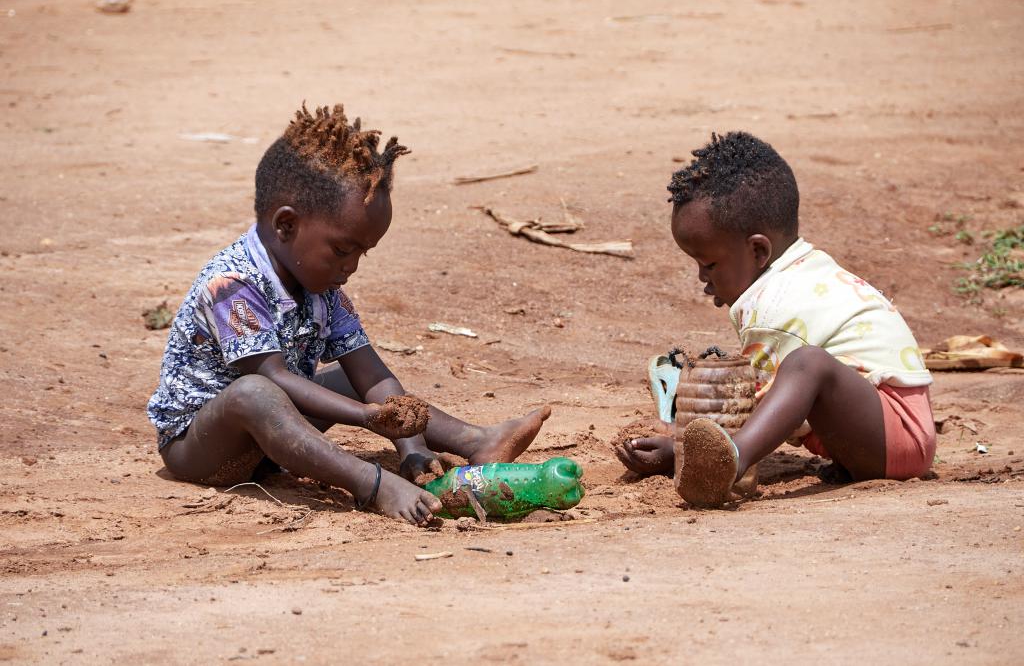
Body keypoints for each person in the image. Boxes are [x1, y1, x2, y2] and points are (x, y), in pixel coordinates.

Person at [148, 103, 550, 525]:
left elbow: (371, 374)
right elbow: (272, 378)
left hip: (271, 439)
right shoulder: (233, 284)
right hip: (203, 449)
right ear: (286, 225)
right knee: (255, 392)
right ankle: (372, 484)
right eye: (342, 250)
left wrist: (411, 447)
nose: (352, 266)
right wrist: (365, 418)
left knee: (354, 381)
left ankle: (475, 440)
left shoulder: (324, 290)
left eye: (363, 252)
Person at [615, 132, 935, 507]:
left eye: (709, 264)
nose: (703, 277)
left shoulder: (773, 303)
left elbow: (746, 405)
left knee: (807, 364)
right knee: (802, 367)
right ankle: (730, 455)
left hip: (897, 436)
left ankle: (729, 461)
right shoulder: (804, 269)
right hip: (884, 433)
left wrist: (681, 449)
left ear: (757, 250)